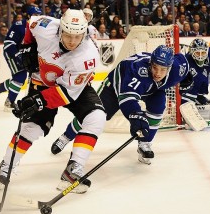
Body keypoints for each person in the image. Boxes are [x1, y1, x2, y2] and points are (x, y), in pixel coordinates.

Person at [0, 9, 106, 194]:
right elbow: (30, 23)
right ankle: (6, 166)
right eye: (68, 35)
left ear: (84, 34)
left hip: (72, 88)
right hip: (41, 82)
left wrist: (36, 101)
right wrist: (27, 47)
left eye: (77, 36)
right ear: (60, 29)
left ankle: (73, 170)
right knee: (32, 128)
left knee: (97, 117)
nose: (72, 41)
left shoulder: (88, 56)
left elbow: (66, 94)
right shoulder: (46, 26)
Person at [51, 45, 193, 165]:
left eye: (163, 69)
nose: (158, 73)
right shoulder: (138, 71)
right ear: (150, 63)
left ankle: (145, 144)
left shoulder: (178, 68)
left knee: (158, 108)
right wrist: (135, 116)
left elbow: (185, 62)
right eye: (155, 67)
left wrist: (187, 77)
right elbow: (128, 100)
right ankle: (66, 136)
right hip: (116, 86)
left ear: (170, 67)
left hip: (153, 90)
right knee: (95, 114)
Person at [0, 6, 42, 111]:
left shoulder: (38, 28)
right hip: (12, 53)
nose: (38, 17)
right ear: (29, 16)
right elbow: (9, 43)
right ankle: (10, 102)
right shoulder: (19, 26)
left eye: (39, 15)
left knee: (19, 78)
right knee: (20, 77)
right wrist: (17, 55)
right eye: (35, 15)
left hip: (25, 55)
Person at [180, 38, 210, 120]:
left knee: (202, 79)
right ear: (192, 52)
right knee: (195, 81)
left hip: (199, 76)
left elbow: (209, 73)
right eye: (197, 53)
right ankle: (187, 101)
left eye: (203, 53)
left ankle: (198, 96)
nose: (201, 56)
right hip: (186, 85)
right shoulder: (187, 60)